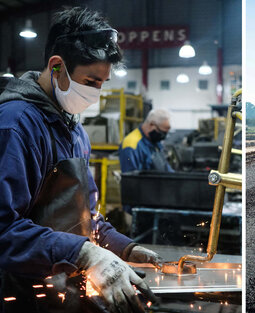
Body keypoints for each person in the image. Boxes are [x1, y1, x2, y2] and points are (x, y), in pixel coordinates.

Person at [0, 7, 160, 313]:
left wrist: (123, 247)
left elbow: (86, 219)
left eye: (102, 83)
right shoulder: (15, 125)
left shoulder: (74, 131)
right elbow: (4, 228)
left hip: (64, 291)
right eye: (90, 81)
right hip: (21, 297)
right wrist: (85, 255)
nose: (96, 93)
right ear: (57, 67)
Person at [119, 108, 174, 173]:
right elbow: (130, 178)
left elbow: (166, 168)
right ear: (151, 124)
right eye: (162, 133)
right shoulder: (131, 145)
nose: (163, 137)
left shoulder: (154, 142)